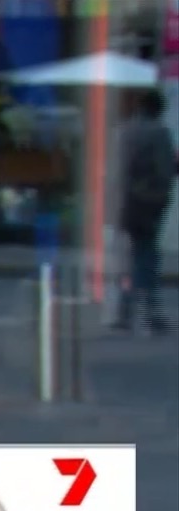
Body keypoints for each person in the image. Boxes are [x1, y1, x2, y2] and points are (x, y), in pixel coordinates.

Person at [112, 90, 177, 335]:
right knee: (147, 258)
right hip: (149, 202)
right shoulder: (159, 133)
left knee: (133, 256)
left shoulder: (124, 131)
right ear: (158, 109)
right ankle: (150, 312)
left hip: (126, 202)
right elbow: (164, 170)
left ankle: (124, 310)